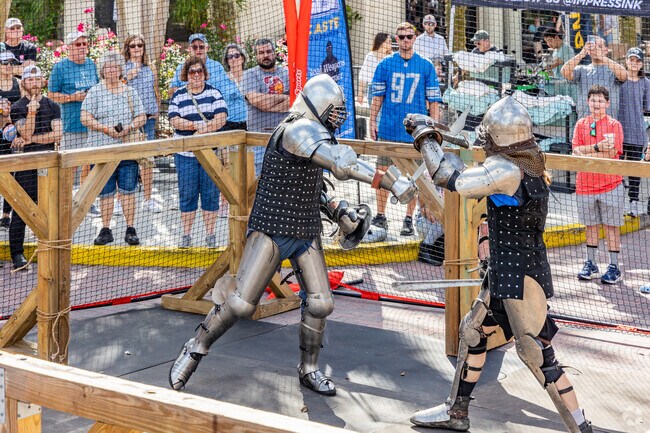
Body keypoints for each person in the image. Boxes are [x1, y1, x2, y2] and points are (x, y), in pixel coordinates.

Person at [169, 73, 416, 395]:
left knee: (321, 303)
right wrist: (391, 182)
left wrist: (339, 210)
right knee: (242, 304)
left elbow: (314, 183)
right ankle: (195, 347)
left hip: (304, 227)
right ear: (319, 105)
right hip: (272, 227)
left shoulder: (317, 135)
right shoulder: (296, 129)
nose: (338, 115)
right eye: (335, 109)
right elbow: (341, 164)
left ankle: (309, 368)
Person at [405, 96, 593, 433]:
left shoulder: (507, 169)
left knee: (535, 354)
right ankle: (456, 412)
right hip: (506, 270)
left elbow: (449, 177)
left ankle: (581, 428)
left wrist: (423, 136)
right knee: (473, 332)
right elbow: (498, 205)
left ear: (499, 139)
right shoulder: (531, 160)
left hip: (521, 276)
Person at [369, 22, 442, 238]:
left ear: (415, 38)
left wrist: (434, 129)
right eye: (401, 37)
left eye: (409, 37)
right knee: (381, 174)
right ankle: (381, 215)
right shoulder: (385, 64)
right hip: (389, 129)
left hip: (416, 134)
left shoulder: (426, 65)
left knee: (416, 178)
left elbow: (434, 101)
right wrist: (372, 121)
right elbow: (377, 97)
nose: (405, 41)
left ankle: (409, 219)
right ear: (395, 39)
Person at [80, 51, 146, 247]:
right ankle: (105, 229)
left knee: (128, 190)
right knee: (105, 192)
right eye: (107, 67)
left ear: (120, 70)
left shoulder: (130, 91)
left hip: (126, 149)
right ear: (102, 70)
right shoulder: (95, 92)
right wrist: (104, 128)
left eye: (115, 67)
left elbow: (142, 116)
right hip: (102, 151)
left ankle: (130, 229)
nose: (111, 70)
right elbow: (85, 118)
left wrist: (130, 127)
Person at [168, 57, 228, 248]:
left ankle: (210, 234)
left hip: (210, 153)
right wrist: (195, 124)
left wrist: (206, 128)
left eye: (199, 71)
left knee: (211, 193)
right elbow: (174, 120)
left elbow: (222, 118)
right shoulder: (178, 95)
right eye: (192, 71)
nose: (196, 75)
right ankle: (186, 234)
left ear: (204, 73)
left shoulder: (214, 92)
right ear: (186, 74)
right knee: (187, 193)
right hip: (185, 155)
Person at [9, 66, 62, 270]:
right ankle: (17, 254)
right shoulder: (17, 107)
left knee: (49, 208)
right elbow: (26, 131)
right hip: (26, 165)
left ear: (42, 81)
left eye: (37, 79)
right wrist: (31, 112)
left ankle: (48, 247)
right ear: (23, 82)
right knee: (21, 209)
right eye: (29, 80)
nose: (34, 83)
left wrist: (30, 140)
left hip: (48, 163)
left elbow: (57, 135)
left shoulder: (53, 105)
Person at [572, 85, 624, 284]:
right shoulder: (580, 124)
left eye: (601, 100)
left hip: (610, 185)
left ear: (607, 103)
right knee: (590, 226)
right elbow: (575, 151)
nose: (596, 104)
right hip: (585, 186)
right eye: (593, 100)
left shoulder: (614, 125)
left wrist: (587, 152)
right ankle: (591, 263)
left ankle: (614, 266)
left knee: (612, 227)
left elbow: (612, 154)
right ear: (588, 101)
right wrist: (596, 147)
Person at [48, 31, 100, 216]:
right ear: (68, 47)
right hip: (71, 124)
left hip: (92, 125)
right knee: (70, 166)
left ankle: (84, 201)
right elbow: (51, 94)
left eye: (85, 44)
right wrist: (72, 97)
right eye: (78, 45)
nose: (83, 48)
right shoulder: (60, 68)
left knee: (88, 165)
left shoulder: (92, 65)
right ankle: (65, 203)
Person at [122, 34, 162, 214]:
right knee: (125, 159)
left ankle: (148, 198)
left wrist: (157, 109)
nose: (137, 48)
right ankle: (120, 199)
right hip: (129, 121)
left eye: (140, 45)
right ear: (127, 48)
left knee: (147, 160)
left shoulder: (149, 67)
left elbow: (155, 89)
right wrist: (127, 77)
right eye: (133, 46)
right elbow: (114, 88)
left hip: (148, 119)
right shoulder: (123, 67)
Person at [242, 38, 290, 175]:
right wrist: (283, 97)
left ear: (275, 53)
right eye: (261, 52)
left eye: (269, 51)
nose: (265, 55)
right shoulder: (250, 74)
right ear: (256, 56)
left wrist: (268, 103)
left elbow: (293, 102)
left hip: (285, 140)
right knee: (260, 187)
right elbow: (258, 102)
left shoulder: (286, 73)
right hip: (259, 142)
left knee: (283, 185)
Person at [561, 36, 627, 120]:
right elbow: (564, 72)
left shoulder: (613, 69)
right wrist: (581, 54)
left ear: (606, 50)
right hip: (585, 123)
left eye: (599, 46)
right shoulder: (582, 70)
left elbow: (624, 75)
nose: (596, 49)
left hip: (608, 124)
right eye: (594, 47)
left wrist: (602, 57)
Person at [618, 47, 650, 218]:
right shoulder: (619, 79)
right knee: (616, 168)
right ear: (626, 61)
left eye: (637, 60)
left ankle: (634, 203)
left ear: (641, 63)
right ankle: (617, 202)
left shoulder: (645, 83)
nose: (634, 63)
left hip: (637, 132)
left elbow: (647, 107)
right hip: (617, 132)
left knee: (634, 170)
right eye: (631, 59)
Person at [0, 50, 21, 230]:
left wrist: (10, 119)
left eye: (11, 63)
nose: (8, 66)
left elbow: (22, 108)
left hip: (12, 136)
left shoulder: (18, 83)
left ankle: (6, 215)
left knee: (11, 175)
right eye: (5, 63)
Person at [356, 32, 392, 106]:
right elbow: (363, 75)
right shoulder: (370, 56)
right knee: (374, 116)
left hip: (389, 90)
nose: (391, 43)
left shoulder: (392, 56)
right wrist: (360, 93)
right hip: (373, 90)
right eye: (389, 41)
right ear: (382, 43)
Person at [414, 199, 444, 266]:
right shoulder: (426, 189)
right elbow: (422, 209)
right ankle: (424, 249)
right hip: (424, 223)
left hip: (437, 230)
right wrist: (428, 209)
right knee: (441, 219)